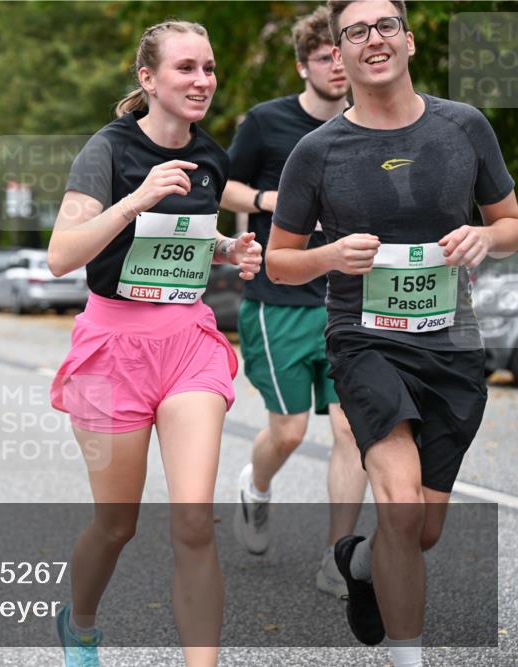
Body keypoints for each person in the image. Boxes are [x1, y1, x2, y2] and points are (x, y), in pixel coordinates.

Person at [266, 1, 518, 665]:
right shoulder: (316, 152)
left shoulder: (464, 127)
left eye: (385, 26)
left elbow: (512, 220)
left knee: (423, 529)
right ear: (339, 54)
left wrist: (488, 235)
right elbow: (279, 260)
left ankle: (358, 561)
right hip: (365, 342)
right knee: (400, 507)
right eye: (355, 32)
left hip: (453, 347)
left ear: (407, 39)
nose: (372, 40)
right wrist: (328, 255)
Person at [46, 20, 262, 667]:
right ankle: (79, 624)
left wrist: (228, 249)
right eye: (186, 68)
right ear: (148, 79)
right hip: (112, 347)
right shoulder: (106, 152)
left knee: (194, 521)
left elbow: (188, 235)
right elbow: (62, 255)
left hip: (187, 339)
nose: (203, 81)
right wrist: (134, 200)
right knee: (117, 524)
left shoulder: (211, 156)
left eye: (209, 68)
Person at [220, 6, 367, 597]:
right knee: (288, 431)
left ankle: (338, 558)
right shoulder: (267, 121)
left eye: (342, 53)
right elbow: (220, 184)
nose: (337, 64)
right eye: (324, 56)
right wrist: (266, 198)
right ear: (304, 64)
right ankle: (254, 489)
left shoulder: (370, 124)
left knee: (352, 431)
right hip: (278, 300)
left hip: (349, 302)